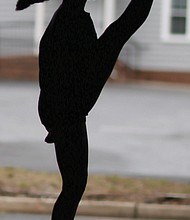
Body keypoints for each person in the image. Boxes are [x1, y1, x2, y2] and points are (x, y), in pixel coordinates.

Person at [16, 0, 154, 219]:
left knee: (74, 186)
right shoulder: (80, 48)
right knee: (74, 186)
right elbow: (132, 18)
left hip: (61, 109)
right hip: (65, 111)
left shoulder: (65, 31)